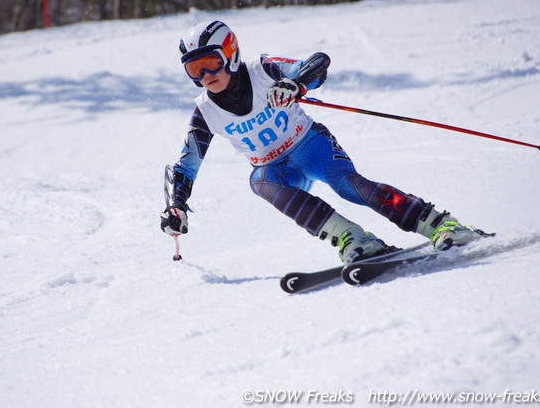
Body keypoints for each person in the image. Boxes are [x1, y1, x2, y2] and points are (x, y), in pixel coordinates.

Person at [160, 20, 484, 263]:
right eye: (194, 69)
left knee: (348, 186)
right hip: (276, 170)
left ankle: (441, 224)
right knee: (259, 181)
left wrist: (294, 83)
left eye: (210, 63)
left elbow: (317, 63)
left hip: (310, 146)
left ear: (229, 54)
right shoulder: (205, 110)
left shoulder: (263, 70)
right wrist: (177, 205)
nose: (204, 76)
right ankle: (353, 239)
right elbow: (187, 164)